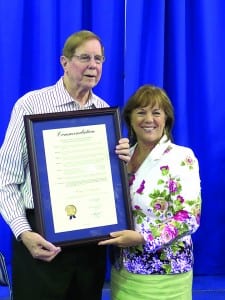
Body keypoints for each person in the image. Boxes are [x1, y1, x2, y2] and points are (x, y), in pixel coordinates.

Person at [0, 30, 130, 300]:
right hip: (40, 238)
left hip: (91, 241)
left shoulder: (104, 114)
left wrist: (121, 165)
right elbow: (5, 179)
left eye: (99, 59)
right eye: (84, 58)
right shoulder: (31, 105)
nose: (93, 65)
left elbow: (108, 186)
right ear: (64, 62)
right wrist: (24, 233)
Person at [99, 84, 202, 300]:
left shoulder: (181, 157)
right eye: (141, 112)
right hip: (123, 272)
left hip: (164, 275)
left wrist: (141, 237)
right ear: (130, 119)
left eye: (156, 112)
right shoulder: (122, 157)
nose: (149, 119)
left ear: (166, 119)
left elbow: (189, 218)